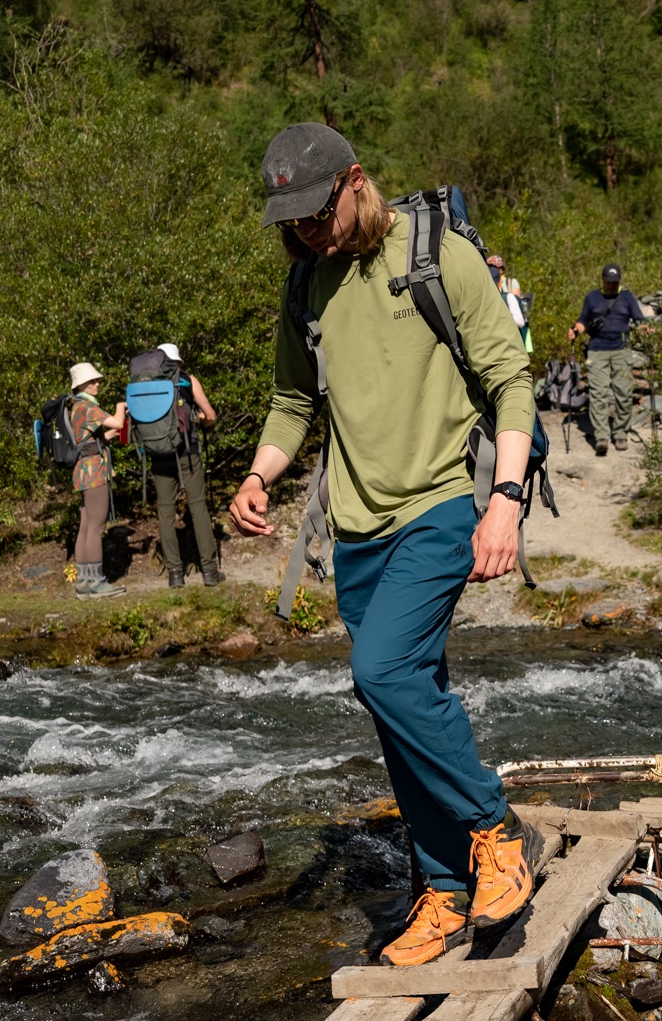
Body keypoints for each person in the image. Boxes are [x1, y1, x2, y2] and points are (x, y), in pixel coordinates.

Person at [229, 122, 541, 968]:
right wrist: (260, 474)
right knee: (399, 708)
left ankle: (498, 831)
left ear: (354, 181)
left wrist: (505, 502)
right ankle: (442, 891)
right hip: (356, 530)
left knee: (384, 673)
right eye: (288, 222)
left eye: (313, 214)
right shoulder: (306, 288)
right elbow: (293, 401)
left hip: (440, 506)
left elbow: (511, 379)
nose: (303, 232)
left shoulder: (436, 255)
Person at [150, 342, 224, 587]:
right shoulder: (188, 380)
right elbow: (210, 415)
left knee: (165, 511)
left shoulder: (147, 386)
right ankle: (210, 571)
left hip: (159, 454)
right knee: (198, 507)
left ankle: (175, 574)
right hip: (187, 452)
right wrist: (201, 420)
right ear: (178, 362)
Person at [566, 263, 649, 455]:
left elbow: (639, 320)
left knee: (624, 393)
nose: (611, 285)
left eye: (615, 282)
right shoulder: (592, 297)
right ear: (603, 280)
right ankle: (601, 437)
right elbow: (583, 321)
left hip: (621, 351)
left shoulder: (627, 297)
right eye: (609, 282)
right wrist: (575, 331)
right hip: (597, 351)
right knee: (598, 394)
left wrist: (647, 329)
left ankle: (620, 433)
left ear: (619, 281)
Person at [66, 362, 128, 599]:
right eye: (92, 381)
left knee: (86, 526)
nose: (97, 383)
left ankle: (84, 582)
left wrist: (110, 433)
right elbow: (118, 423)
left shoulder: (77, 407)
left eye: (97, 379)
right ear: (80, 384)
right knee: (96, 528)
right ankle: (96, 582)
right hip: (94, 473)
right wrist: (120, 407)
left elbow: (103, 434)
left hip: (82, 471)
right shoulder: (86, 407)